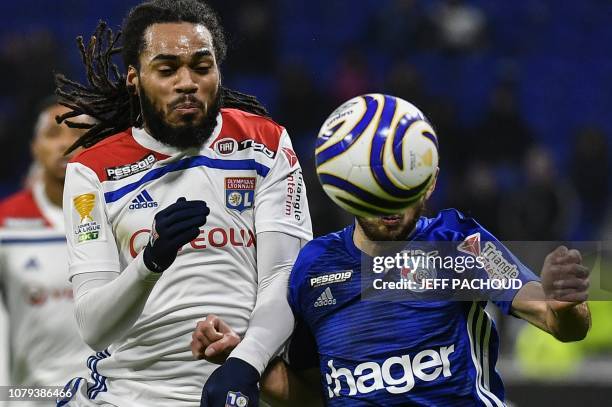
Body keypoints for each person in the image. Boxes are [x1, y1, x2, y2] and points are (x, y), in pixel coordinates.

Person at [192, 107, 591, 407]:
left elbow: (560, 323)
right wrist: (243, 354)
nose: (390, 208)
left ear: (430, 183)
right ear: (344, 188)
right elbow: (316, 397)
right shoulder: (313, 268)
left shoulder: (456, 243)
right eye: (375, 191)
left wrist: (567, 305)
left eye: (401, 190)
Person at [54, 1, 312, 406]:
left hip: (240, 383)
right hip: (132, 394)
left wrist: (245, 361)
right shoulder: (92, 171)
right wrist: (150, 261)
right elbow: (94, 327)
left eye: (201, 66)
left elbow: (281, 276)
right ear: (135, 79)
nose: (187, 82)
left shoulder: (263, 143)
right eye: (168, 68)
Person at [0, 98, 93, 405]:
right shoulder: (5, 225)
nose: (66, 144)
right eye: (53, 135)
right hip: (30, 397)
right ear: (35, 148)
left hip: (107, 395)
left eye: (78, 134)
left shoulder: (122, 216)